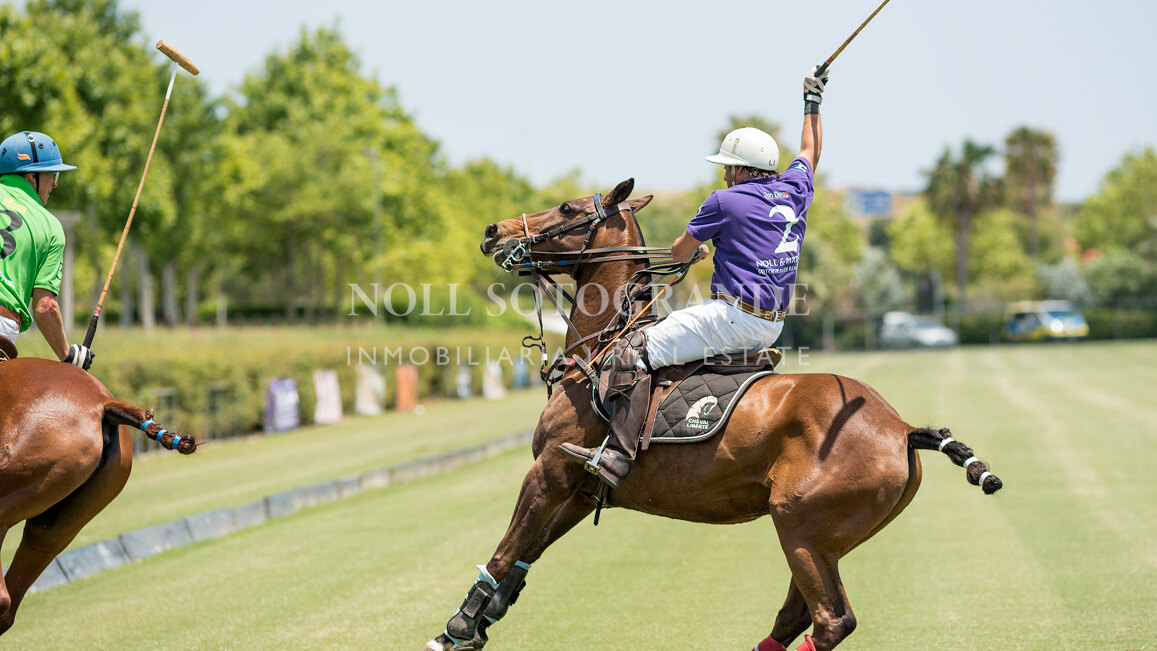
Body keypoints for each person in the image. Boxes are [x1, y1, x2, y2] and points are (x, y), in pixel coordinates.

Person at [560, 65, 830, 488]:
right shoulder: (796, 189)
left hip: (733, 320)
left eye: (728, 167)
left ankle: (616, 454)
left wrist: (699, 247)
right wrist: (813, 99)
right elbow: (810, 150)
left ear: (741, 170)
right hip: (772, 326)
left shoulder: (724, 201)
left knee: (632, 350)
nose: (723, 174)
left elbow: (678, 251)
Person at [0, 130, 94, 370]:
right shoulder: (51, 227)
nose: (54, 183)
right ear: (31, 175)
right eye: (52, 174)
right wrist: (68, 354)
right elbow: (45, 308)